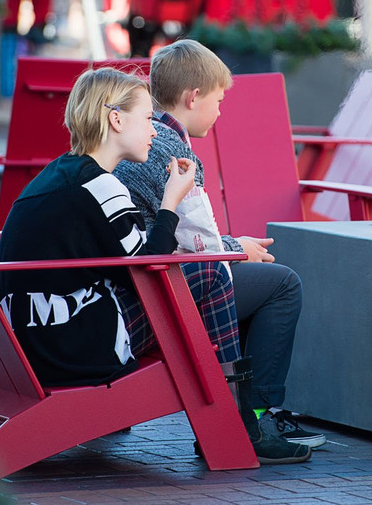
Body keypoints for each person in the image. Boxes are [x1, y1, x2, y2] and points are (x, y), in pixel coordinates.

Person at [0, 66, 310, 464]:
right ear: (116, 120)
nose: (154, 131)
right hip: (75, 348)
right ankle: (239, 424)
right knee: (212, 272)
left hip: (36, 339)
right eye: (147, 119)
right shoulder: (100, 185)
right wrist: (171, 201)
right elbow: (149, 269)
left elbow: (131, 262)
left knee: (205, 275)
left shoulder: (59, 174)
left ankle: (238, 414)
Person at [113, 39, 325, 449]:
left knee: (253, 279)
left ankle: (249, 409)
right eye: (219, 100)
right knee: (282, 284)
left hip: (134, 284)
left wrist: (234, 247)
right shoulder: (174, 151)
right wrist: (238, 248)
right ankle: (257, 417)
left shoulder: (145, 138)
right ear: (193, 97)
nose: (220, 111)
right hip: (156, 291)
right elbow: (204, 248)